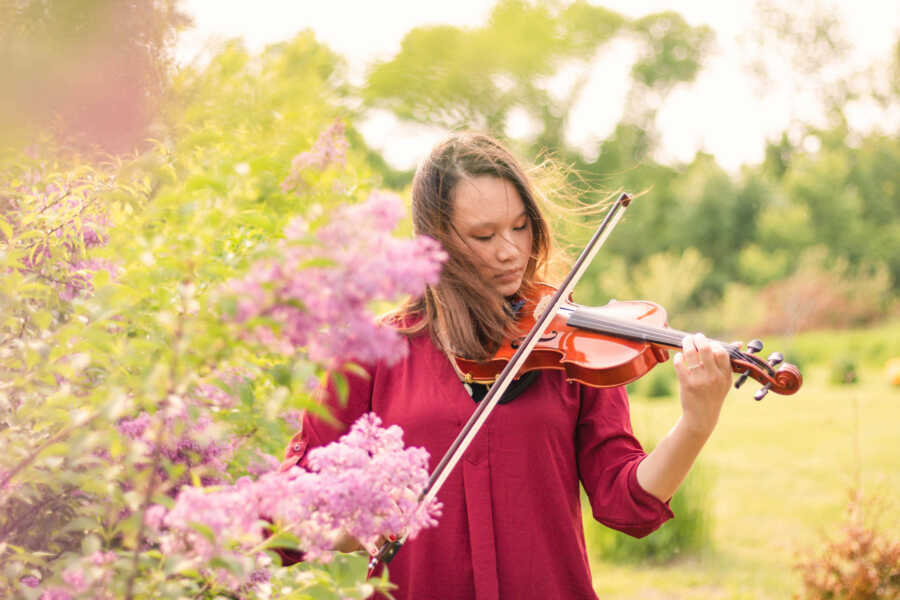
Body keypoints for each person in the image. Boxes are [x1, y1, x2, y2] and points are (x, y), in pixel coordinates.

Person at [279, 132, 734, 599]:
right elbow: (292, 500)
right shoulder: (371, 351)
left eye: (520, 227)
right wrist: (343, 532)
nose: (510, 251)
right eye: (483, 235)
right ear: (435, 241)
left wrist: (696, 424)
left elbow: (625, 504)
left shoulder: (573, 347)